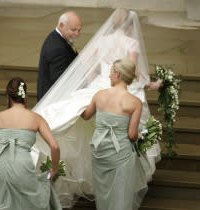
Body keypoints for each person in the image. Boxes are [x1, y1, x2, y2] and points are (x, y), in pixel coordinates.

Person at [33, 8, 160, 208]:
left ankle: (93, 180)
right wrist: (150, 84)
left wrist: (97, 81)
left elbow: (85, 65)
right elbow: (131, 73)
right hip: (119, 89)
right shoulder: (131, 43)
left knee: (86, 134)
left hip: (100, 87)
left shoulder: (101, 41)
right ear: (129, 26)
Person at [0, 77, 62, 210]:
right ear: (26, 96)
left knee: (5, 203)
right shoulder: (36, 118)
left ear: (7, 96)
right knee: (30, 202)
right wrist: (54, 169)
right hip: (22, 164)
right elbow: (55, 146)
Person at [81, 58, 141, 210]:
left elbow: (85, 115)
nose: (109, 76)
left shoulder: (99, 95)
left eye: (110, 72)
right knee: (120, 194)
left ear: (118, 74)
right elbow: (132, 135)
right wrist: (139, 136)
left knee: (102, 192)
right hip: (120, 152)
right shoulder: (135, 102)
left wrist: (74, 104)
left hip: (99, 149)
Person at [37, 11, 82, 101]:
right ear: (61, 25)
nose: (77, 34)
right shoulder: (57, 48)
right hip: (53, 101)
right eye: (73, 30)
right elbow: (60, 81)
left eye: (79, 30)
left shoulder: (59, 38)